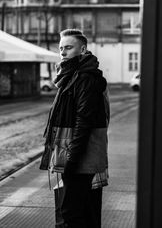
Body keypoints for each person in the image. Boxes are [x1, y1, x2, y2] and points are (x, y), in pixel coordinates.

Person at [40, 29, 110, 228]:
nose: (63, 52)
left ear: (83, 49)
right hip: (76, 155)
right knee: (85, 210)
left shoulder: (85, 78)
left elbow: (83, 122)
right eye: (61, 48)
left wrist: (71, 159)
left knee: (71, 214)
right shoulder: (72, 75)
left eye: (68, 47)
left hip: (79, 158)